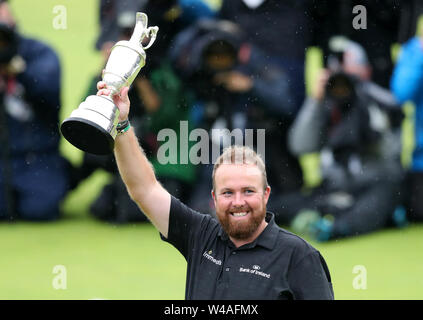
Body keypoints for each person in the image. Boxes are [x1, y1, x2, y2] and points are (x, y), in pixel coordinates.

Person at [95, 79, 334, 300]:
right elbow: (144, 189)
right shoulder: (200, 235)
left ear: (266, 194)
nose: (238, 201)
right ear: (214, 198)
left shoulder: (299, 256)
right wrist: (122, 124)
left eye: (248, 191)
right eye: (228, 193)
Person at [170, 19, 304, 214]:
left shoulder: (256, 65)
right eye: (214, 56)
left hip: (258, 150)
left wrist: (250, 86)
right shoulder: (200, 75)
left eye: (225, 54)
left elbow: (286, 104)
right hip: (213, 151)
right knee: (199, 205)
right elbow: (179, 64)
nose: (220, 60)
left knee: (269, 202)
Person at [279, 38, 405, 241]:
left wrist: (363, 101)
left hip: (372, 183)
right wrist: (316, 100)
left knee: (383, 195)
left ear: (366, 71)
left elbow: (388, 153)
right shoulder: (327, 104)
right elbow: (300, 145)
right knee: (287, 203)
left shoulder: (378, 100)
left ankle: (338, 226)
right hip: (334, 186)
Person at [0, 0, 71, 221]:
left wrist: (19, 70)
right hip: (3, 158)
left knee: (40, 210)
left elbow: (49, 96)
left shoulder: (40, 53)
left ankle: (67, 175)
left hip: (38, 157)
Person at [390, 31, 423, 222]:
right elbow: (401, 93)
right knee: (418, 211)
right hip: (421, 161)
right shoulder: (414, 51)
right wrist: (420, 54)